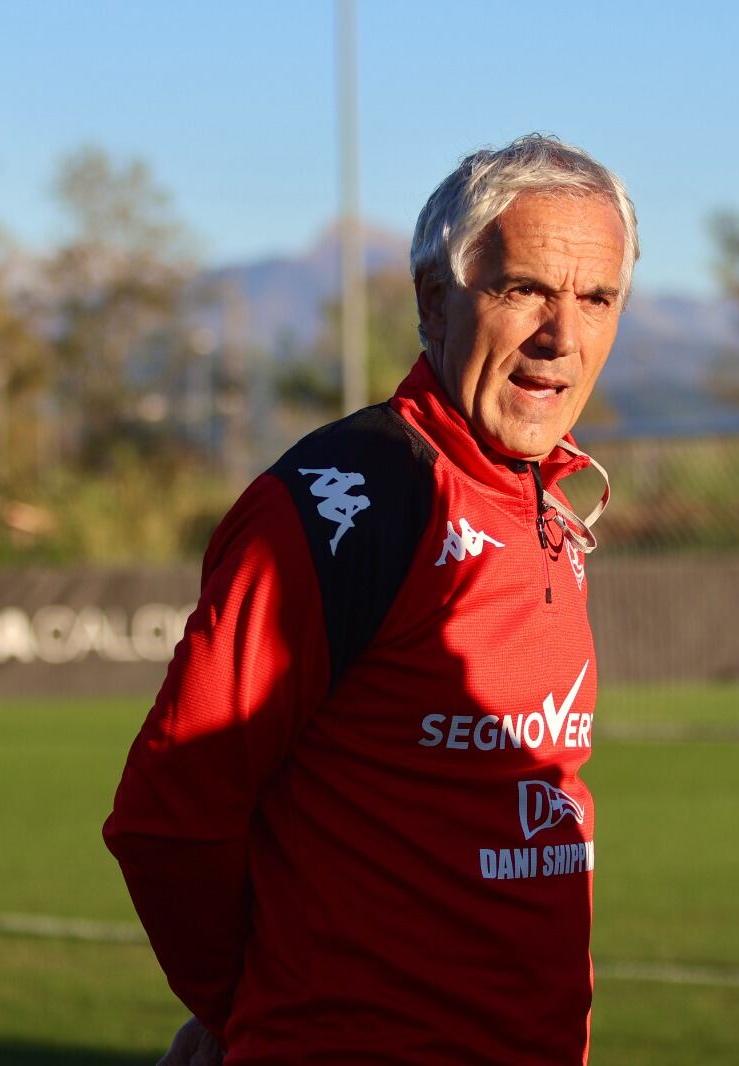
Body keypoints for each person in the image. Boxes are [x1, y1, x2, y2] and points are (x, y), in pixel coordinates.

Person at [104, 133, 639, 1065]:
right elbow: (169, 814)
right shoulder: (339, 507)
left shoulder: (547, 503)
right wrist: (248, 1003)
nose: (563, 335)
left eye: (597, 298)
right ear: (435, 299)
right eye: (522, 291)